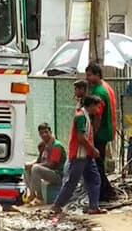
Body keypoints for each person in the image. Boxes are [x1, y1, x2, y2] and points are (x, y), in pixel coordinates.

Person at [51, 86, 106, 216]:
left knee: (94, 179)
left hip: (86, 155)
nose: (98, 110)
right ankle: (57, 205)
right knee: (72, 181)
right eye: (97, 107)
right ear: (91, 106)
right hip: (79, 155)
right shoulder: (81, 117)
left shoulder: (84, 116)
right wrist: (92, 149)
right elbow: (81, 138)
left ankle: (94, 206)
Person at [85, 62, 119, 202]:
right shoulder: (106, 87)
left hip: (101, 132)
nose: (87, 78)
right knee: (99, 164)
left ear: (97, 75)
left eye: (90, 75)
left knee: (96, 165)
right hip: (107, 130)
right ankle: (105, 192)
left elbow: (98, 116)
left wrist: (92, 135)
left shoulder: (99, 92)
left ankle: (106, 192)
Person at [24, 123, 67, 205]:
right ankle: (35, 195)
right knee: (26, 168)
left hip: (58, 175)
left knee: (35, 168)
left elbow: (52, 165)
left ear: (50, 132)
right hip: (48, 172)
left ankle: (37, 196)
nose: (44, 135)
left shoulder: (56, 145)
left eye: (46, 132)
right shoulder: (43, 145)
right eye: (41, 133)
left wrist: (35, 165)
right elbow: (39, 160)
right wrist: (29, 165)